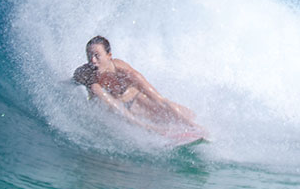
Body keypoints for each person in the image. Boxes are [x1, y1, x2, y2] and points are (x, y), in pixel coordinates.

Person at [71, 35, 202, 136]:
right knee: (138, 117)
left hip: (135, 102)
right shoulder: (89, 77)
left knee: (185, 114)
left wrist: (193, 126)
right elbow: (118, 110)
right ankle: (155, 128)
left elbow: (159, 99)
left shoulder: (125, 72)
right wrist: (152, 129)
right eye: (89, 56)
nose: (92, 60)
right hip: (114, 111)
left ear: (109, 56)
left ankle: (193, 126)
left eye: (97, 55)